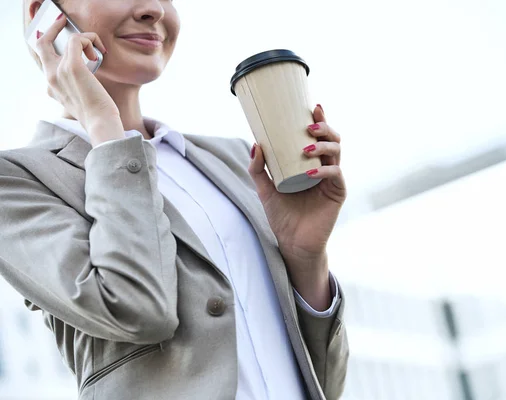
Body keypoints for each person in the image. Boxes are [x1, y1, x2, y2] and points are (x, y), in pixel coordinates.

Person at [0, 1, 349, 399]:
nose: (152, 9)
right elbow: (137, 309)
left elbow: (325, 385)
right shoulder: (18, 181)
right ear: (42, 15)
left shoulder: (233, 159)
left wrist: (306, 258)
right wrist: (105, 127)